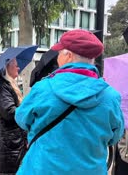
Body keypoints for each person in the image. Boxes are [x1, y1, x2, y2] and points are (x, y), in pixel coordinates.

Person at [15, 29, 124, 174]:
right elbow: (115, 136)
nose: (57, 57)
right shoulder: (110, 96)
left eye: (59, 53)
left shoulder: (43, 88)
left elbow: (21, 119)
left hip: (42, 168)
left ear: (69, 56)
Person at [0, 58, 27, 174]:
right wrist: (28, 107)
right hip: (5, 146)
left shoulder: (7, 85)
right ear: (7, 67)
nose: (18, 68)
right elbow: (9, 113)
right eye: (16, 65)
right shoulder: (1, 87)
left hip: (9, 143)